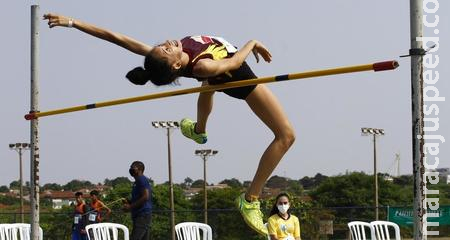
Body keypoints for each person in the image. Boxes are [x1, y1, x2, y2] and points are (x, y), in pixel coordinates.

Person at [43, 13, 296, 235]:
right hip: (240, 79)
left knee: (208, 87)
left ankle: (198, 130)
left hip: (214, 76)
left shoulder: (173, 58)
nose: (166, 44)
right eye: (166, 50)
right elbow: (234, 63)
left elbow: (116, 38)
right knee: (286, 136)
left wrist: (72, 23)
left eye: (162, 46)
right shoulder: (202, 66)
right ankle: (250, 199)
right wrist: (252, 42)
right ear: (175, 64)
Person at [123, 161, 152, 240]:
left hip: (142, 215)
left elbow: (146, 196)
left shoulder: (141, 179)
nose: (131, 169)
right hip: (141, 215)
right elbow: (140, 198)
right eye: (130, 167)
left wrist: (130, 207)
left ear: (140, 169)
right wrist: (129, 202)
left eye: (133, 168)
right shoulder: (137, 181)